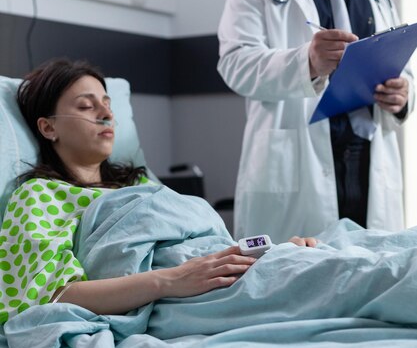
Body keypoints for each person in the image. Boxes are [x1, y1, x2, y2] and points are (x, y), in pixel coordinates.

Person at [0, 58, 317, 324]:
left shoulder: (142, 187)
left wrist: (270, 251)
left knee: (317, 260)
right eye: (86, 106)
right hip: (180, 295)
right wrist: (171, 281)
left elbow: (208, 250)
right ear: (48, 127)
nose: (107, 114)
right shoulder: (39, 195)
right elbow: (46, 296)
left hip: (220, 273)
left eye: (108, 104)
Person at [217, 0, 414, 244]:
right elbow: (234, 64)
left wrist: (403, 94)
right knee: (300, 289)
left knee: (373, 284)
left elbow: (404, 68)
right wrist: (306, 61)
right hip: (297, 171)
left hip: (368, 167)